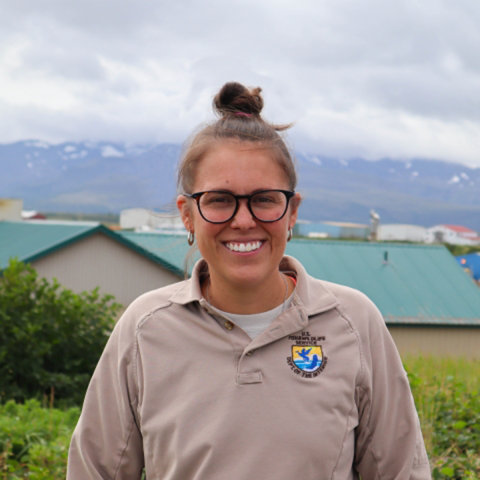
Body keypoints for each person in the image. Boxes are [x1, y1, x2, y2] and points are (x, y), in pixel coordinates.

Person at [67, 82, 431, 479]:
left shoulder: (354, 322)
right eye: (220, 200)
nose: (243, 221)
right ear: (187, 215)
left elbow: (401, 472)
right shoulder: (145, 329)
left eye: (264, 199)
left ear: (292, 212)